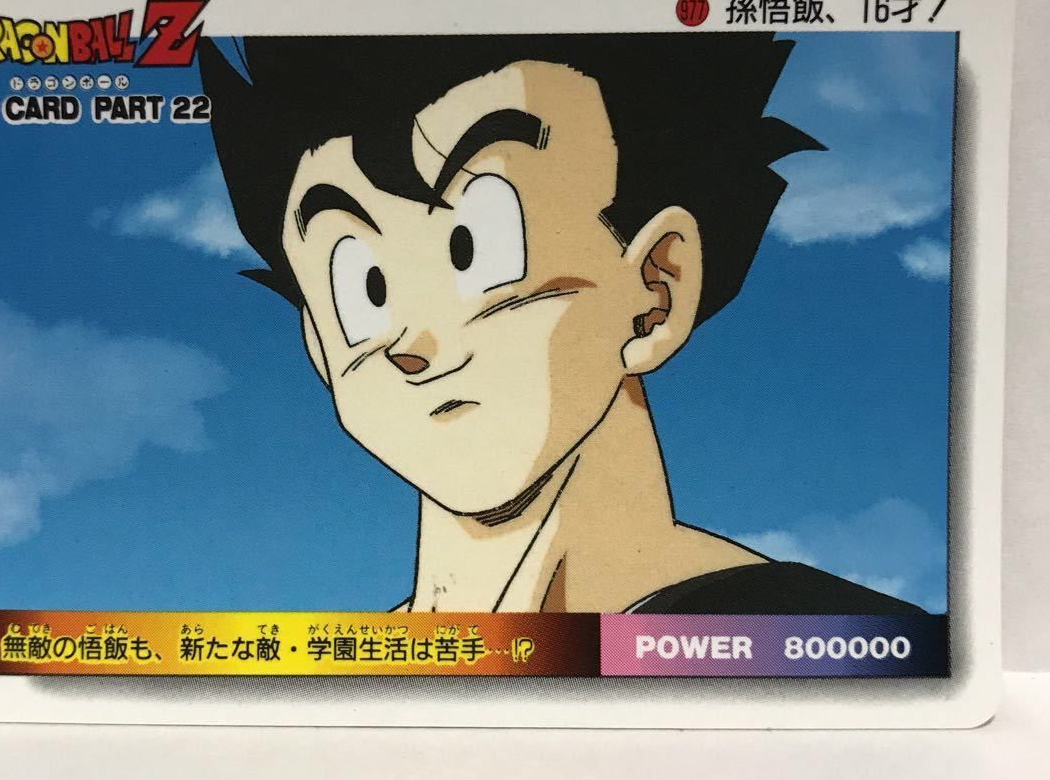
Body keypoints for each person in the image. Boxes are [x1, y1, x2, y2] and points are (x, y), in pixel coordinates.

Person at [200, 32, 923, 614]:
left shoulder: (823, 642)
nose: (414, 345)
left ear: (656, 288)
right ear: (320, 349)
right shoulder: (328, 682)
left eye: (478, 250)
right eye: (367, 289)